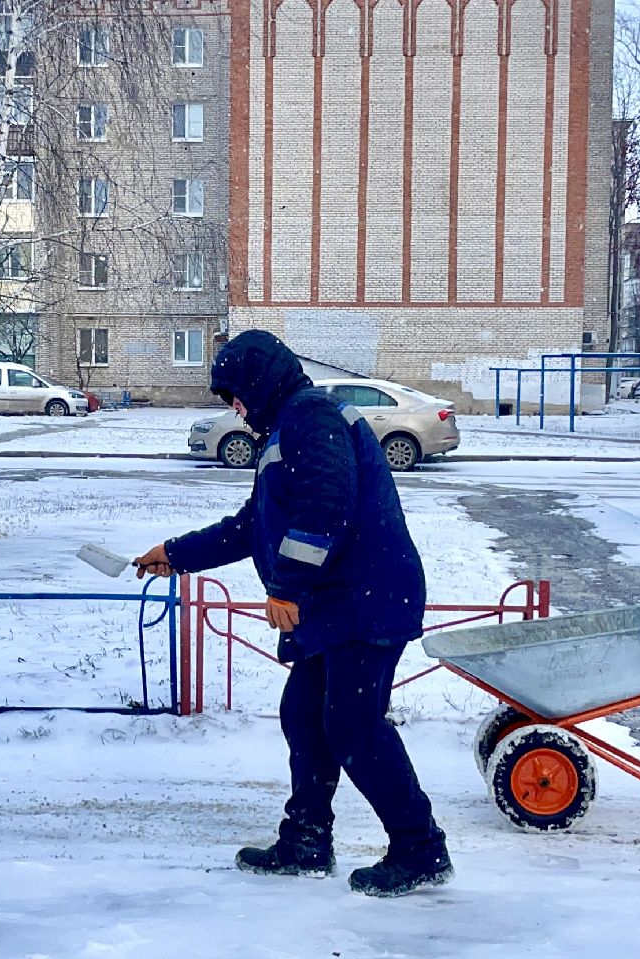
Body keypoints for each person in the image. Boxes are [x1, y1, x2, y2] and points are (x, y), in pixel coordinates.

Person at [133, 329, 452, 897]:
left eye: (235, 394)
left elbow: (327, 506)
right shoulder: (287, 427)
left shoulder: (312, 417)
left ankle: (419, 847)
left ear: (259, 380)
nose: (234, 407)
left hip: (365, 598)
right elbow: (249, 527)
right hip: (339, 603)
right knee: (304, 716)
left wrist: (289, 587)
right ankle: (306, 840)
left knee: (353, 725)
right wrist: (176, 554)